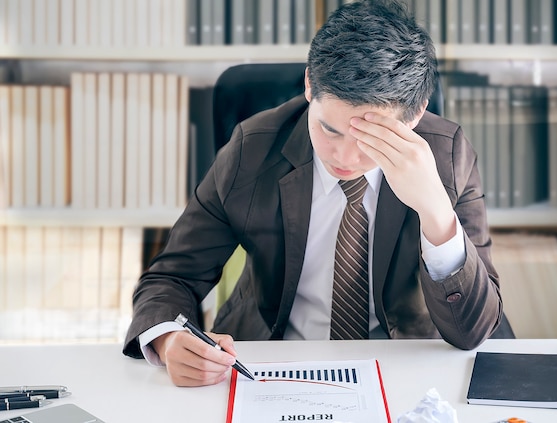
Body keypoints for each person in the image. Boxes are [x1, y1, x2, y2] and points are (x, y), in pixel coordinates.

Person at [123, 0, 504, 387]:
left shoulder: (448, 156)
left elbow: (473, 331)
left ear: (417, 113)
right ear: (309, 84)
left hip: (400, 369)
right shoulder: (252, 149)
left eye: (369, 139)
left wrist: (435, 211)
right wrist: (170, 339)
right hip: (267, 364)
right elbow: (172, 277)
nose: (344, 157)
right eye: (329, 129)